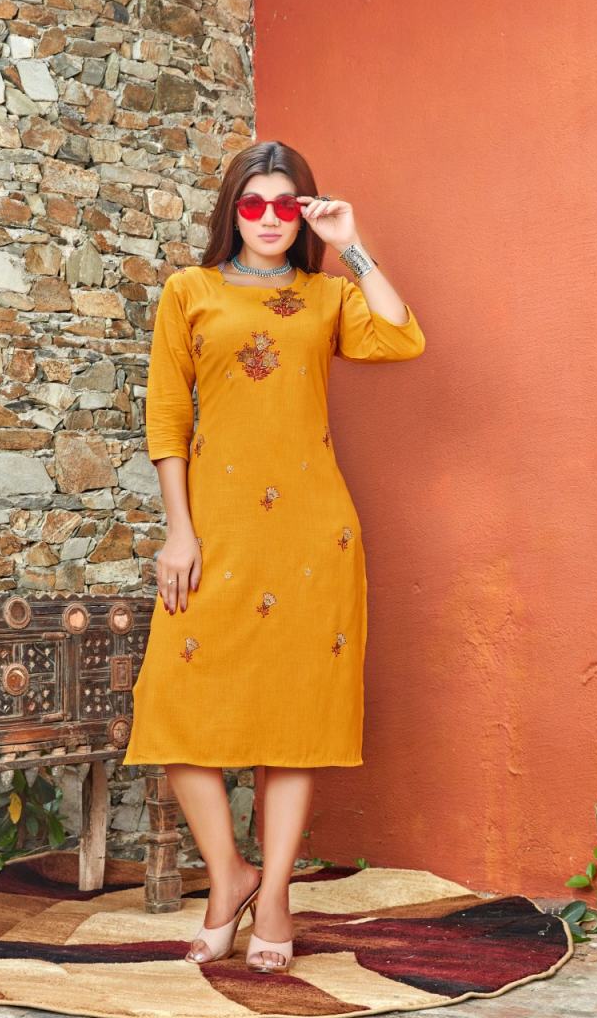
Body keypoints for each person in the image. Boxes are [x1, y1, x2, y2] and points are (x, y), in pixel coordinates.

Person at [122, 140, 426, 974]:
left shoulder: (328, 295)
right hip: (216, 530)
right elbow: (166, 417)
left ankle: (278, 893)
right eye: (251, 203)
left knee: (294, 721)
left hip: (312, 535)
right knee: (172, 704)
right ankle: (231, 873)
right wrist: (178, 531)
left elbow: (402, 338)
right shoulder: (190, 291)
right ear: (233, 210)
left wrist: (351, 244)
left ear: (303, 213)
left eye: (284, 205)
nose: (266, 218)